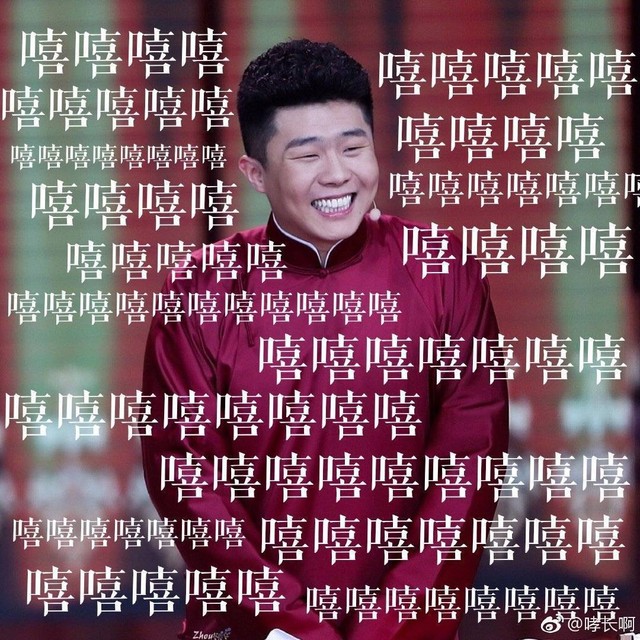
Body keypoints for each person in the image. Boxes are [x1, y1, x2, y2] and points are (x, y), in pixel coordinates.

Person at [141, 39, 509, 640]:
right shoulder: (200, 290)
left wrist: (389, 628)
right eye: (307, 154)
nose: (337, 174)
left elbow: (469, 464)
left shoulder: (443, 270)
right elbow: (186, 477)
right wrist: (293, 628)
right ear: (256, 173)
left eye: (354, 147)